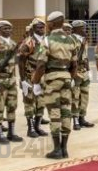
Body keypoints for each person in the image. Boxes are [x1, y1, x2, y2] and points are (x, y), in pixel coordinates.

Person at [31, 11, 78, 159]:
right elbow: (74, 64)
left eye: (48, 23)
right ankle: (64, 149)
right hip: (66, 78)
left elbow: (41, 65)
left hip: (52, 79)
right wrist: (70, 78)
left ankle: (57, 149)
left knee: (55, 114)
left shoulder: (47, 40)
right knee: (66, 112)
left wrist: (36, 83)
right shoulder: (71, 40)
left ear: (52, 23)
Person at [0, 20, 23, 144]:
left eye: (9, 28)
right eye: (4, 28)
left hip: (11, 80)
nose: (7, 30)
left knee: (12, 106)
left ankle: (11, 132)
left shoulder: (13, 44)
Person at [17, 18, 49, 138]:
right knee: (29, 102)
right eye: (39, 27)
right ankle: (30, 128)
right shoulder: (29, 42)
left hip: (43, 76)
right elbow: (20, 61)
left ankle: (37, 126)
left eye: (43, 27)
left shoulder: (46, 41)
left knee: (41, 102)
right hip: (30, 76)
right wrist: (23, 80)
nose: (41, 29)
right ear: (33, 29)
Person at [70, 20, 95, 130]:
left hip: (84, 71)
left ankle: (82, 117)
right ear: (75, 29)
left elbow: (86, 56)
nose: (84, 29)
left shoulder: (84, 40)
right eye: (81, 27)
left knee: (85, 95)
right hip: (76, 72)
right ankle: (75, 119)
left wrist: (89, 70)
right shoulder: (71, 40)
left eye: (84, 27)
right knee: (75, 96)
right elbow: (72, 58)